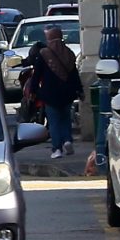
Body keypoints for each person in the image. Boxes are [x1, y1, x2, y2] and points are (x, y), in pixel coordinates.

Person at [24, 26, 84, 160]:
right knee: (65, 118)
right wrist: (79, 90)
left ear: (49, 38)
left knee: (54, 122)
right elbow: (74, 74)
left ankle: (57, 148)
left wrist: (33, 91)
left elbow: (37, 75)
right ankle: (67, 140)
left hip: (50, 93)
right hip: (67, 93)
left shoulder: (43, 53)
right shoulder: (68, 52)